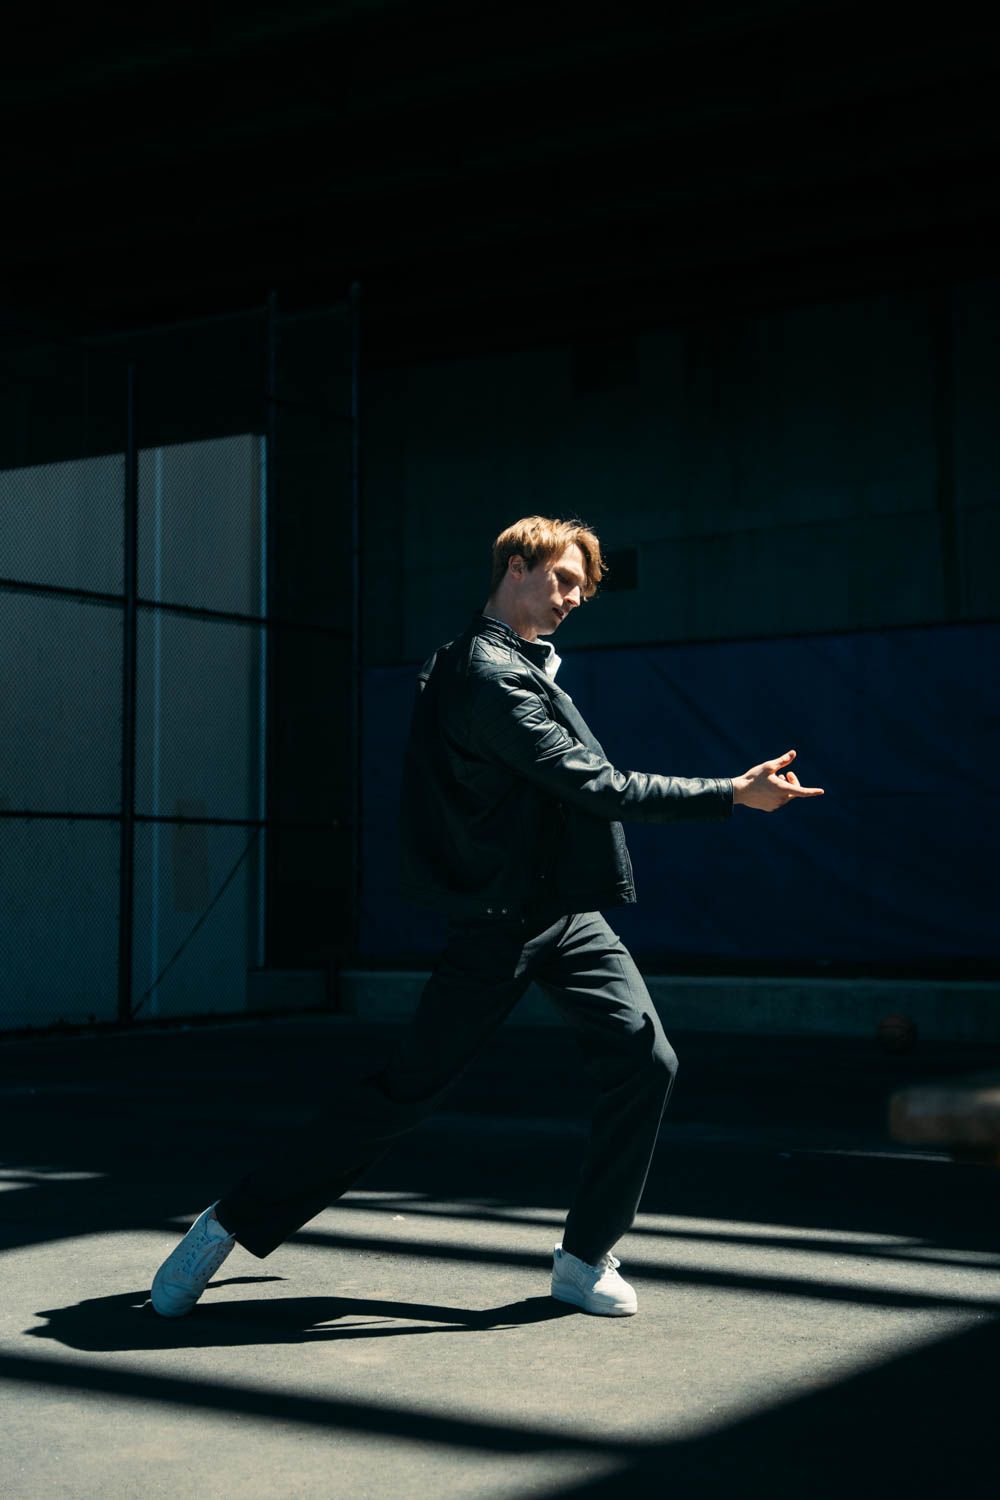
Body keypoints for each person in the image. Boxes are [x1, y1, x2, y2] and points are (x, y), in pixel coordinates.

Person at [151, 514, 824, 1320]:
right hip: (499, 921)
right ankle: (226, 1225)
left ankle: (583, 1258)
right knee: (404, 1096)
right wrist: (730, 795)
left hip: (565, 913)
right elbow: (597, 786)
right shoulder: (486, 675)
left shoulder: (525, 667)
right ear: (515, 565)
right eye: (565, 579)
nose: (576, 597)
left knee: (648, 1061)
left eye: (584, 587)